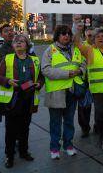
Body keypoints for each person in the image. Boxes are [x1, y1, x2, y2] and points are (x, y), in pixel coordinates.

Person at [0, 34, 44, 168]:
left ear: (27, 45)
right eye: (16, 41)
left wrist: (39, 84)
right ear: (13, 46)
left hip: (28, 98)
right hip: (12, 100)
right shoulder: (8, 59)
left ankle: (23, 151)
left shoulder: (34, 60)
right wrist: (8, 81)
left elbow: (41, 77)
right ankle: (9, 156)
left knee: (24, 128)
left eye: (22, 41)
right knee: (10, 130)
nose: (19, 43)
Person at [42, 25, 86, 159]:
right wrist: (67, 73)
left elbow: (83, 64)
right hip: (56, 93)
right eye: (63, 34)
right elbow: (46, 70)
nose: (66, 36)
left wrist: (80, 71)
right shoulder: (50, 50)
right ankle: (54, 148)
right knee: (55, 123)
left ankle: (68, 145)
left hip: (72, 91)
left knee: (69, 121)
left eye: (68, 33)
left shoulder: (75, 49)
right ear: (57, 36)